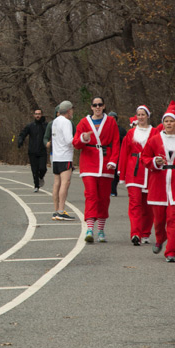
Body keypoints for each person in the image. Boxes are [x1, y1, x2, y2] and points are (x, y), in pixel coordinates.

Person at [142, 102, 175, 262]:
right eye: (166, 121)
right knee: (159, 219)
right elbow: (145, 158)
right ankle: (160, 238)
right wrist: (155, 162)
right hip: (158, 183)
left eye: (172, 121)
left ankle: (171, 252)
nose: (169, 124)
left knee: (174, 218)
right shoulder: (154, 140)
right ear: (163, 123)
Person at [73, 96, 120, 242]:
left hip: (106, 164)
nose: (98, 107)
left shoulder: (111, 122)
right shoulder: (83, 122)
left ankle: (101, 230)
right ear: (91, 107)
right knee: (91, 195)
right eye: (95, 105)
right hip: (89, 163)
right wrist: (83, 138)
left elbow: (116, 142)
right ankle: (89, 229)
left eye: (100, 105)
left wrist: (113, 160)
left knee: (103, 198)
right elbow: (75, 143)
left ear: (104, 106)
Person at [118, 105, 154, 246]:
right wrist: (122, 172)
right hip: (134, 171)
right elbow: (124, 153)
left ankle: (145, 233)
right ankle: (135, 233)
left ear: (147, 116)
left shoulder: (155, 132)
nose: (140, 117)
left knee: (148, 205)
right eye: (138, 114)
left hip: (150, 172)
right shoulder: (131, 133)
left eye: (143, 114)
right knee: (135, 203)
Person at [50, 101, 76, 220]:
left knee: (57, 183)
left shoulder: (55, 121)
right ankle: (61, 210)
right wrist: (80, 139)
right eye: (72, 110)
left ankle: (56, 210)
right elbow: (69, 140)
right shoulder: (66, 122)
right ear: (69, 110)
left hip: (56, 156)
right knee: (65, 183)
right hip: (65, 156)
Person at [18, 109, 48, 192]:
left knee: (43, 168)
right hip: (32, 151)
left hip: (42, 151)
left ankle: (41, 177)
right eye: (36, 114)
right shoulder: (30, 126)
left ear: (42, 115)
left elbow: (50, 134)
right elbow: (23, 133)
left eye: (39, 114)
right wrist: (20, 140)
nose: (37, 115)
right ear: (34, 115)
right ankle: (36, 185)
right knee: (34, 170)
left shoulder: (45, 125)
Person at [108, 111, 127, 197]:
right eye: (110, 118)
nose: (112, 120)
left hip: (119, 154)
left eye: (114, 118)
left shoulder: (121, 130)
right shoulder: (105, 129)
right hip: (108, 153)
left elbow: (126, 141)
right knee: (110, 173)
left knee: (116, 174)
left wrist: (119, 137)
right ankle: (112, 191)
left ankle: (113, 189)